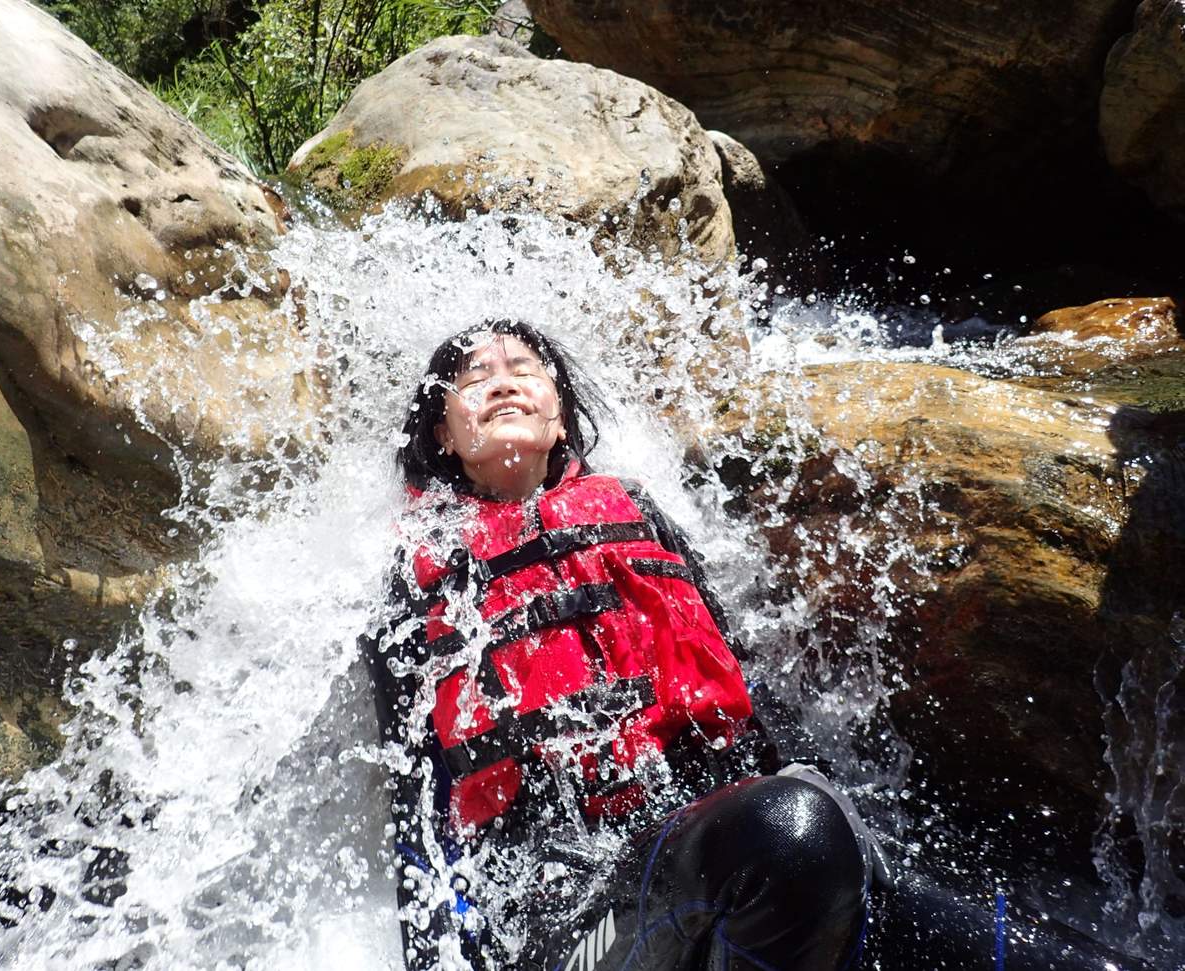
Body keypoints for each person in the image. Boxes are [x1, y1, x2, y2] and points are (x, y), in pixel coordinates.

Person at [362, 319, 1151, 971]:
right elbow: (416, 798)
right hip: (561, 905)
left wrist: (841, 824)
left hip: (725, 846)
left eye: (524, 371)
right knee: (787, 832)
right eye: (475, 377)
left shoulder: (634, 513)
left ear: (559, 418)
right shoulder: (419, 572)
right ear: (444, 432)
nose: (502, 383)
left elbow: (738, 686)